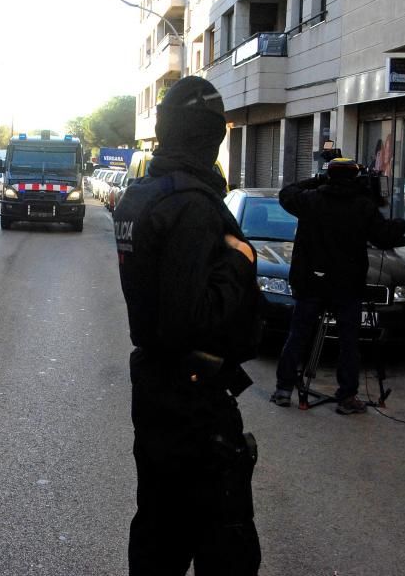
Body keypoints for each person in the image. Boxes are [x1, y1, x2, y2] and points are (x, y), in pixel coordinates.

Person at [112, 76, 262, 575]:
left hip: (156, 390)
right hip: (193, 400)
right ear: (210, 136)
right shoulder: (192, 205)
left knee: (159, 530)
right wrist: (241, 264)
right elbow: (186, 322)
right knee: (227, 547)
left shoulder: (142, 195)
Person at [270, 158, 405, 414]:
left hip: (311, 282)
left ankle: (283, 389)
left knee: (298, 335)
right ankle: (347, 396)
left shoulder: (310, 200)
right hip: (347, 285)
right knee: (348, 342)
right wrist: (400, 224)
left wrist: (318, 180)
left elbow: (287, 193)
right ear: (355, 178)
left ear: (329, 176)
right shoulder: (362, 205)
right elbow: (384, 235)